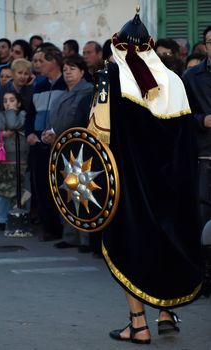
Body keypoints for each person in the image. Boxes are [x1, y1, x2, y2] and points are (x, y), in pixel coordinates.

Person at [94, 10, 203, 344]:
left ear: (118, 45)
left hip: (129, 183)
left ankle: (138, 324)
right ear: (149, 46)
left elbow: (98, 131)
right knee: (166, 245)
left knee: (130, 247)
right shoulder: (174, 79)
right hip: (172, 184)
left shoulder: (111, 76)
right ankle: (166, 312)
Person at [41, 54, 93, 250]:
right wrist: (48, 133)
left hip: (78, 149)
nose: (68, 73)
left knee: (82, 193)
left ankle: (86, 238)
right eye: (65, 69)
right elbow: (54, 119)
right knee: (66, 193)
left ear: (82, 72)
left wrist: (57, 132)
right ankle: (70, 235)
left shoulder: (87, 92)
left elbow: (76, 120)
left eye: (72, 69)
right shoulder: (62, 94)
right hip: (60, 147)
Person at [25, 45, 66, 241]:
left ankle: (62, 227)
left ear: (54, 62)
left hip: (57, 143)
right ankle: (48, 226)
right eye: (36, 61)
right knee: (41, 186)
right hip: (38, 143)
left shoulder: (66, 85)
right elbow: (30, 114)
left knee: (59, 186)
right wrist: (30, 133)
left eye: (42, 61)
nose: (38, 65)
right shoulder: (39, 86)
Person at [0, 91, 29, 230]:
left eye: (11, 100)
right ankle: (2, 219)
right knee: (0, 191)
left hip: (21, 161)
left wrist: (10, 112)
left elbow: (14, 124)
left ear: (19, 103)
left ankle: (22, 217)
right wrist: (2, 134)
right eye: (5, 101)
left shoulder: (23, 116)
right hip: (6, 161)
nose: (8, 103)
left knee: (22, 189)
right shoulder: (1, 118)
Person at [183, 26, 211, 232]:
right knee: (202, 209)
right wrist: (202, 121)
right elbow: (180, 117)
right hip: (204, 155)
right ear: (205, 46)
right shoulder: (191, 77)